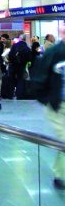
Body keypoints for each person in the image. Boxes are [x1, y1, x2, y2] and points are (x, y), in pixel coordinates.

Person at [41, 26, 65, 190]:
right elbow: (39, 78)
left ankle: (60, 172)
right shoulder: (53, 53)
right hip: (58, 105)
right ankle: (60, 174)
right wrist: (49, 99)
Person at [8, 34, 31, 99]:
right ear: (25, 39)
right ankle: (19, 95)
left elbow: (10, 55)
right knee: (20, 80)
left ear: (20, 39)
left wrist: (12, 61)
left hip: (13, 65)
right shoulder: (27, 47)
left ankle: (10, 94)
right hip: (22, 66)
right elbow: (29, 58)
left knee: (11, 80)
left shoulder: (14, 45)